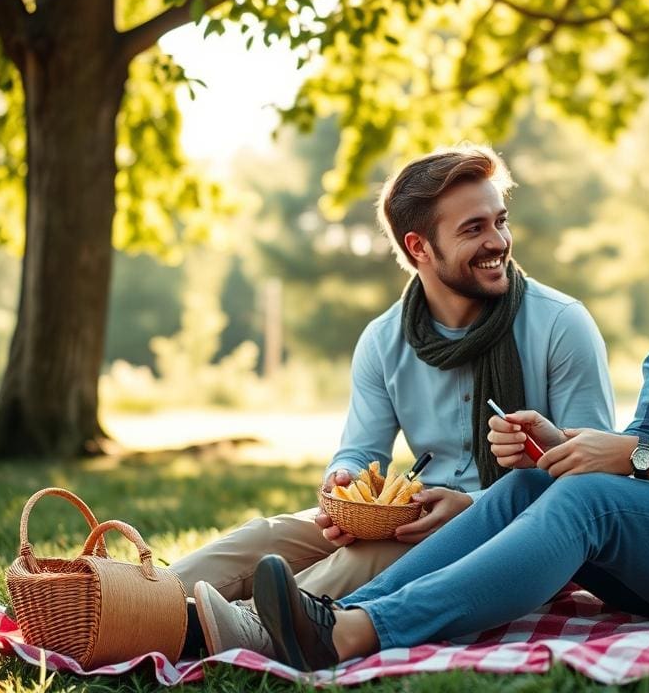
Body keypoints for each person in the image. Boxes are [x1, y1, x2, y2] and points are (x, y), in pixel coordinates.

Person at [239, 105, 649, 672]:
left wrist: (627, 457)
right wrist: (569, 446)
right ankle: (336, 616)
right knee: (533, 484)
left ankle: (360, 632)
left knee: (590, 503)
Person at [179, 145, 616, 656]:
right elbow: (361, 452)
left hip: (517, 533)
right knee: (263, 536)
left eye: (500, 221)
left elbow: (593, 483)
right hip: (416, 511)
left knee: (366, 558)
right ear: (419, 248)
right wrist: (344, 487)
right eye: (473, 229)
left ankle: (232, 630)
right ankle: (126, 597)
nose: (499, 241)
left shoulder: (561, 324)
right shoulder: (384, 339)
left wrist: (472, 507)